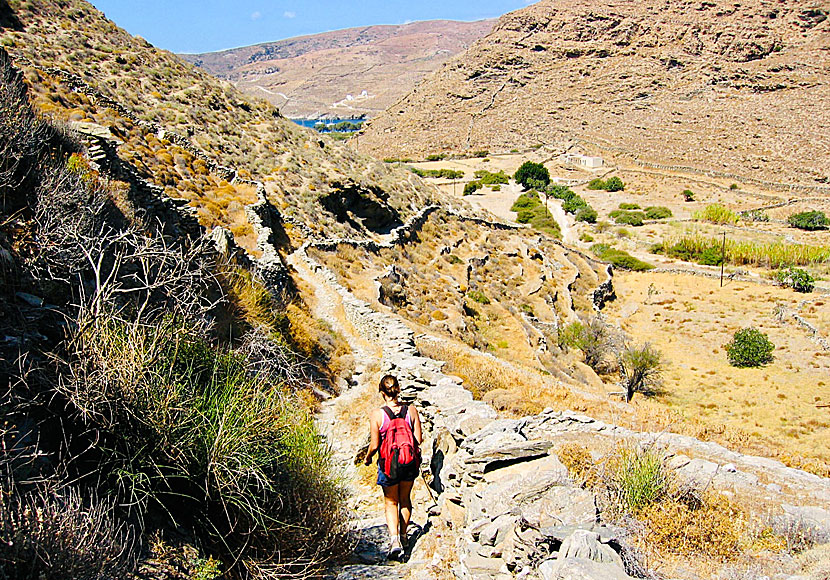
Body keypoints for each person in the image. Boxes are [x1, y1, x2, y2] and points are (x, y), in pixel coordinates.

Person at [364, 374, 422, 560]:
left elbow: (374, 445)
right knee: (405, 499)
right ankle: (405, 537)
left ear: (382, 392)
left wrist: (367, 459)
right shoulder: (411, 410)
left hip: (388, 465)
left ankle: (395, 541)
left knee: (391, 502)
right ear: (398, 389)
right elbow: (418, 440)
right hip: (408, 463)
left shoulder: (377, 415)